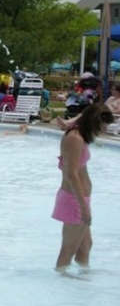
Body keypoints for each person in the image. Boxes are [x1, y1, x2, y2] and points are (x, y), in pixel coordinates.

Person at [52, 104, 115, 271]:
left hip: (78, 198)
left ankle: (84, 277)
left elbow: (88, 112)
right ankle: (62, 278)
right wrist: (83, 207)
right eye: (102, 126)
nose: (103, 130)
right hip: (75, 200)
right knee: (68, 249)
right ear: (93, 122)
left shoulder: (78, 132)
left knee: (85, 245)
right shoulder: (76, 139)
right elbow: (72, 174)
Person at [56, 84, 120, 130]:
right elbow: (104, 106)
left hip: (109, 116)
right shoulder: (111, 98)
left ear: (118, 91)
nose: (111, 90)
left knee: (87, 115)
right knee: (84, 114)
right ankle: (67, 123)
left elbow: (118, 111)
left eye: (113, 89)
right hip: (101, 113)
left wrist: (108, 111)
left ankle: (67, 123)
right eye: (112, 89)